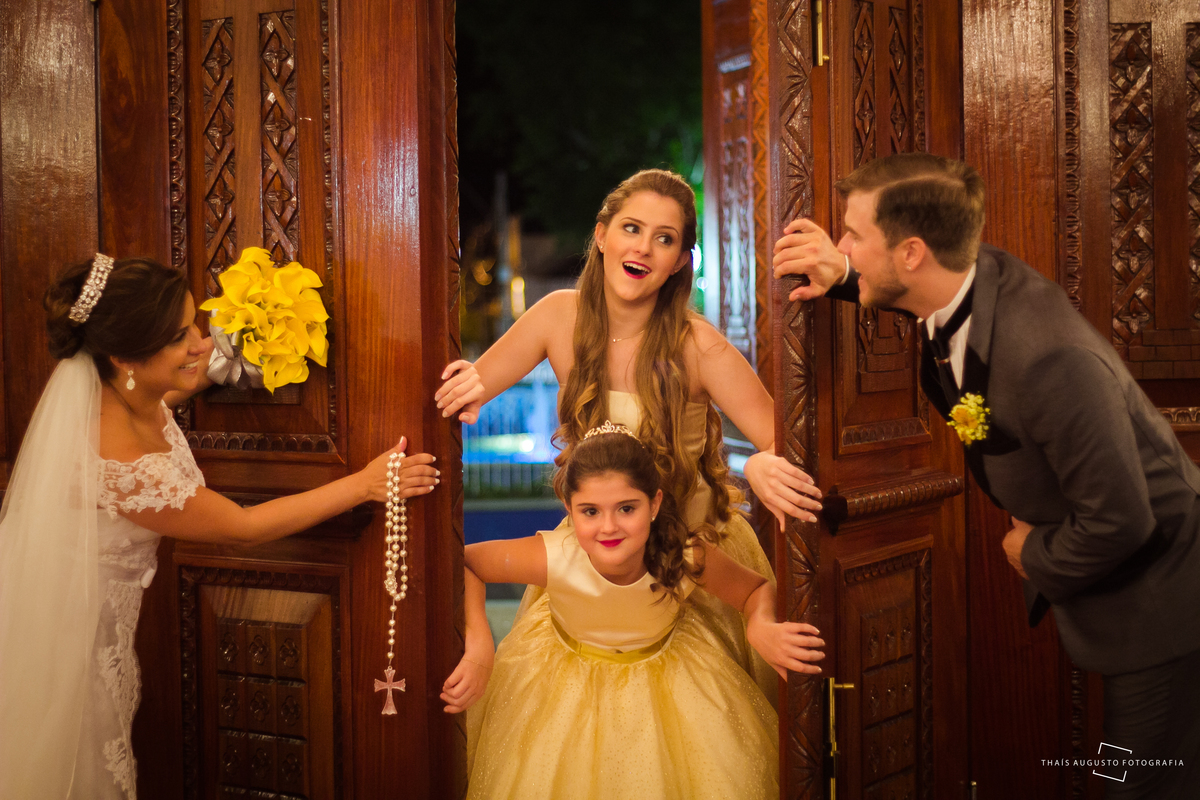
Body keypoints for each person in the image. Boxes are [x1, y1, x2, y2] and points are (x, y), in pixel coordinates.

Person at [773, 152, 1200, 798]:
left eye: (853, 235)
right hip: (1128, 593)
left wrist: (1033, 552)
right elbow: (918, 299)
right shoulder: (972, 281)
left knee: (1137, 786)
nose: (842, 246)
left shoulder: (1050, 359)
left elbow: (1123, 521)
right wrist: (845, 279)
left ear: (912, 252)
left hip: (1164, 603)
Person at [0, 255, 440, 800]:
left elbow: (169, 397)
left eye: (195, 325)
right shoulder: (117, 462)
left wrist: (261, 335)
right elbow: (242, 526)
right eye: (179, 337)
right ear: (124, 357)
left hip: (94, 623)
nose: (201, 342)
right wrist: (364, 485)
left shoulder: (127, 391)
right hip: (68, 639)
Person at [435, 168, 822, 700]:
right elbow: (468, 387)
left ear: (680, 261)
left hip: (691, 558)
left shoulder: (700, 346)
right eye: (632, 228)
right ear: (602, 235)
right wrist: (461, 390)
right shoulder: (557, 316)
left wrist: (757, 463)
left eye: (664, 238)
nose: (643, 247)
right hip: (602, 545)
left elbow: (785, 445)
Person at [441, 424, 825, 799]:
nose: (609, 527)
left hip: (672, 680)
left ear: (654, 503)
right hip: (560, 683)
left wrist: (760, 623)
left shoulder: (685, 555)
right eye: (590, 511)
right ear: (569, 508)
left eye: (626, 508)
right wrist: (479, 646)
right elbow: (467, 562)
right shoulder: (554, 556)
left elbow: (754, 590)